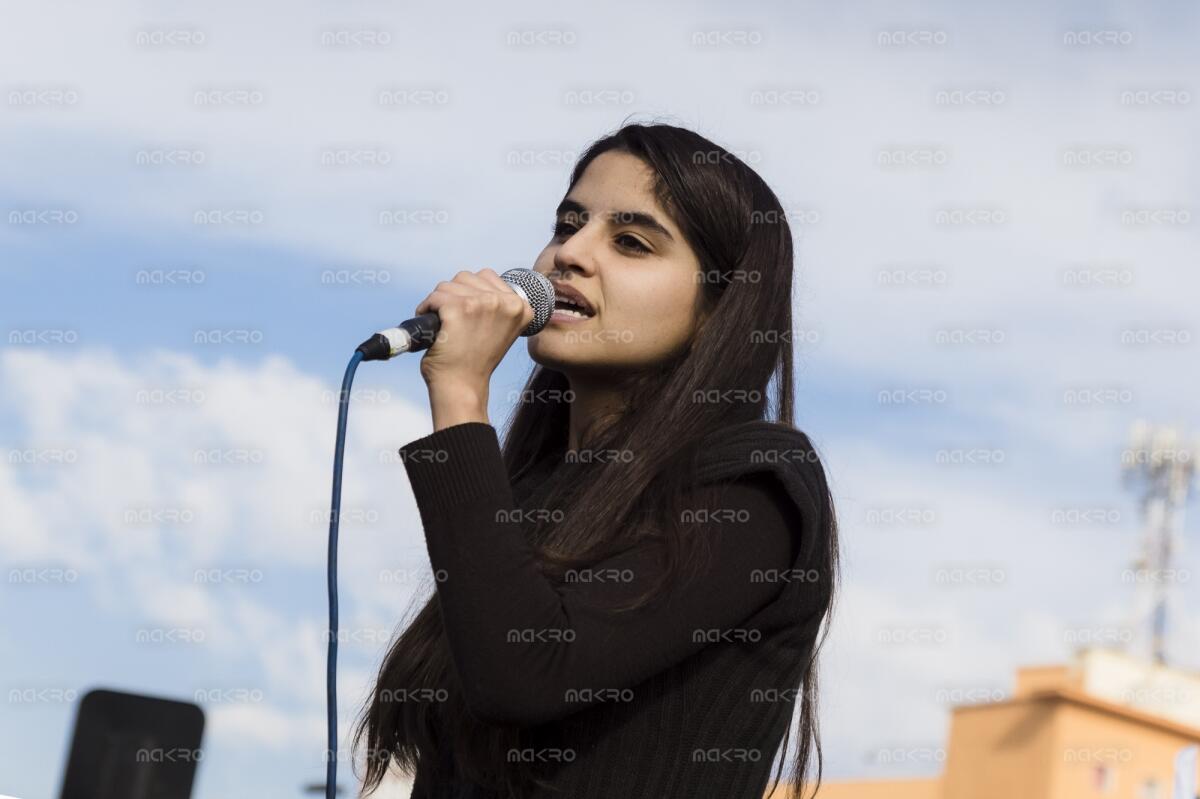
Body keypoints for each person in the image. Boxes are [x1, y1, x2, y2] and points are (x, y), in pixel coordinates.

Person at [353, 120, 840, 799]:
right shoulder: (529, 495)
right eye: (567, 224)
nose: (570, 254)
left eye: (631, 241)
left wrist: (461, 395)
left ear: (717, 309)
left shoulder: (755, 484)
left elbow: (524, 672)